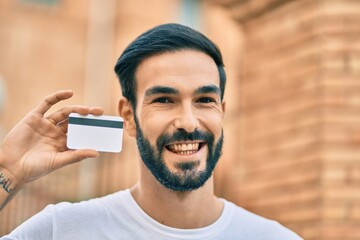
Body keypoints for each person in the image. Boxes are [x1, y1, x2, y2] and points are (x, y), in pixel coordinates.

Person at [0, 23, 303, 239]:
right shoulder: (62, 230)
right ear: (129, 116)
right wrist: (8, 171)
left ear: (221, 111)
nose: (188, 121)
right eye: (165, 100)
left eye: (204, 100)